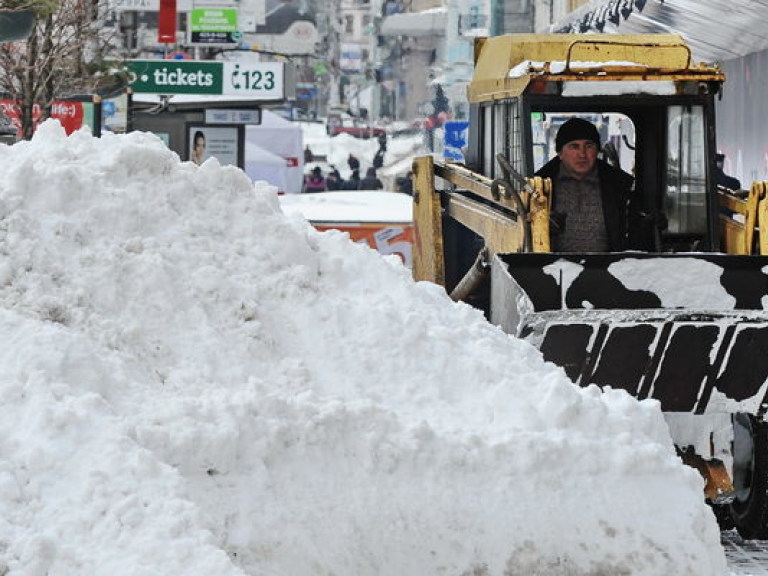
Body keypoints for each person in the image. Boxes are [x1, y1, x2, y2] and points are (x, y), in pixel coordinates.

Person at [535, 117, 652, 252]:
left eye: (589, 146)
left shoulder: (620, 187)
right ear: (560, 153)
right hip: (552, 269)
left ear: (597, 151)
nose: (582, 154)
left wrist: (646, 226)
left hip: (609, 268)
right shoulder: (539, 188)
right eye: (574, 146)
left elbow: (632, 234)